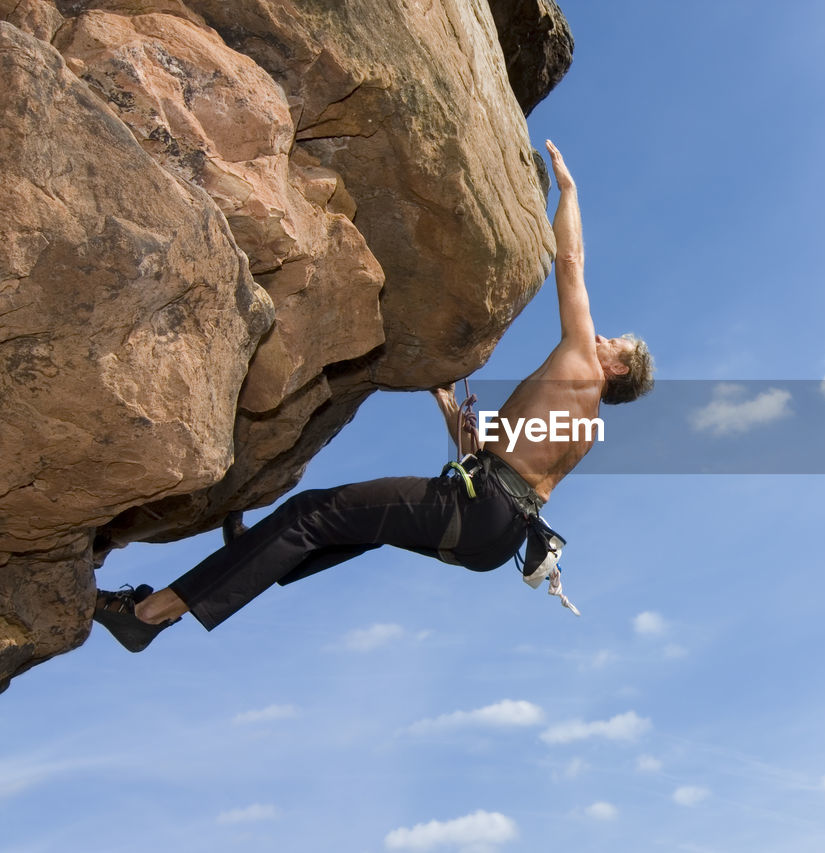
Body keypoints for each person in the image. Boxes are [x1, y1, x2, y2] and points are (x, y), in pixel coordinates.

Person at [94, 140, 654, 652]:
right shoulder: (582, 433)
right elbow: (492, 460)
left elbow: (571, 265)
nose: (602, 336)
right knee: (361, 526)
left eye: (614, 342)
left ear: (617, 367)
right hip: (496, 539)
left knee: (313, 514)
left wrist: (570, 191)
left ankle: (148, 614)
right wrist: (448, 412)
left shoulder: (583, 362)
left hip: (476, 510)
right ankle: (259, 552)